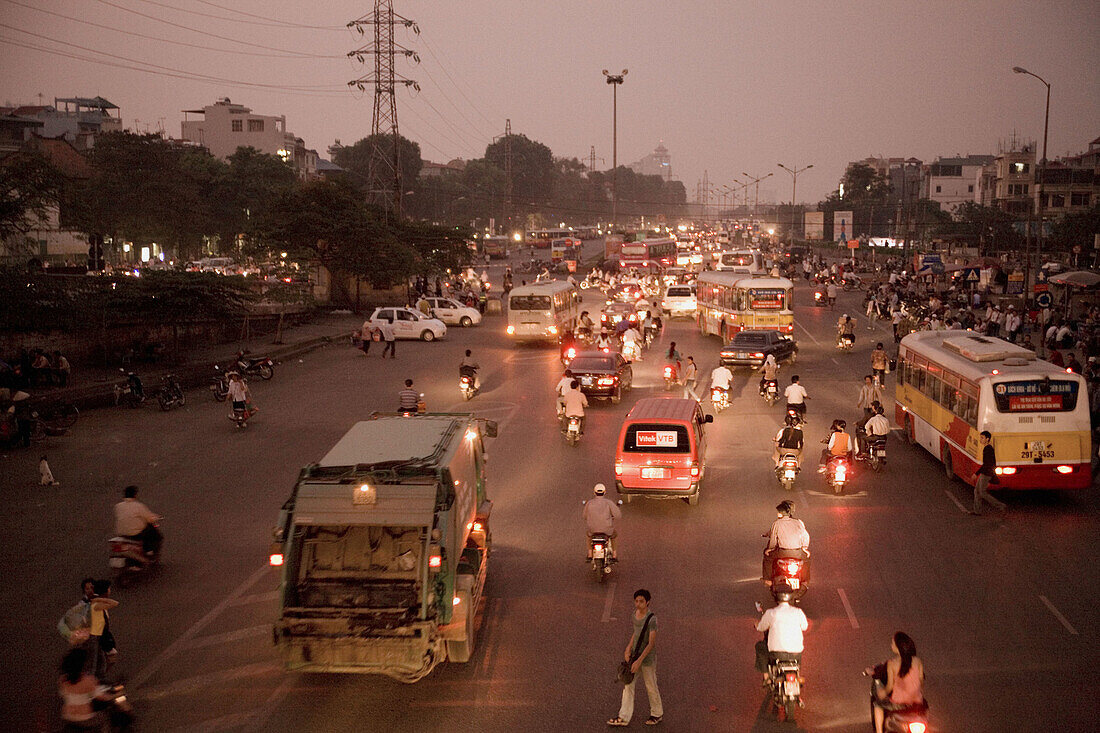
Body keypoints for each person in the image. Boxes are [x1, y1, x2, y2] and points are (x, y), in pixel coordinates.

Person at [607, 589, 662, 727]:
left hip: (646, 659)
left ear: (648, 602)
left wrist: (639, 661)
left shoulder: (652, 619)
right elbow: (635, 633)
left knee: (651, 686)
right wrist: (628, 648)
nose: (638, 604)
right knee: (628, 684)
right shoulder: (634, 615)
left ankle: (657, 713)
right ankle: (623, 717)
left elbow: (651, 643)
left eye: (641, 601)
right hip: (634, 656)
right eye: (636, 601)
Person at [866, 632, 926, 733]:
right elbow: (921, 682)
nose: (891, 645)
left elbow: (889, 687)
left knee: (878, 705)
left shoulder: (892, 664)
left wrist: (882, 693)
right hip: (916, 702)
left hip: (898, 703)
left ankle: (879, 732)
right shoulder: (917, 661)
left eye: (893, 643)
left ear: (898, 647)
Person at [59, 648, 124, 728]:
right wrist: (114, 696)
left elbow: (64, 694)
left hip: (68, 716)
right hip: (85, 718)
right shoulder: (88, 680)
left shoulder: (63, 679)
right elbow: (102, 697)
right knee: (104, 720)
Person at [754, 591, 809, 684]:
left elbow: (761, 627)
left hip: (777, 654)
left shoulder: (771, 613)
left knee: (760, 646)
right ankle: (797, 676)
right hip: (796, 654)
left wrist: (757, 625)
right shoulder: (798, 612)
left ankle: (766, 677)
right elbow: (805, 627)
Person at [762, 500, 810, 582]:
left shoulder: (777, 523)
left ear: (781, 513)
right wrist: (805, 548)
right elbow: (806, 536)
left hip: (783, 552)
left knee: (768, 557)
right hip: (798, 553)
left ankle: (768, 580)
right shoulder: (798, 522)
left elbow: (773, 540)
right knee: (806, 560)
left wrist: (770, 549)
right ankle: (805, 581)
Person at [114, 485, 162, 559]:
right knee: (155, 535)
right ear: (135, 495)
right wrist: (156, 517)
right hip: (135, 533)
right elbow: (149, 518)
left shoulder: (118, 506)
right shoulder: (139, 506)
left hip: (121, 533)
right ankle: (149, 552)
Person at [969, 430, 1006, 515]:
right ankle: (977, 511)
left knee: (982, 492)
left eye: (982, 438)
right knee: (977, 491)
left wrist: (976, 473)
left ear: (987, 439)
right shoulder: (987, 448)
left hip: (986, 474)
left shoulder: (988, 449)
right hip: (985, 473)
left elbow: (986, 464)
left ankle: (1000, 505)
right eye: (980, 437)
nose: (980, 439)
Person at [87, 579, 119, 677]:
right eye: (108, 589)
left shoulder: (96, 603)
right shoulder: (97, 604)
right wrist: (98, 599)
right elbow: (114, 603)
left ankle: (99, 677)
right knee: (98, 660)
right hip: (96, 636)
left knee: (102, 659)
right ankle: (96, 678)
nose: (110, 591)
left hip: (100, 635)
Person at [583, 483, 622, 560]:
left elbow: (584, 516)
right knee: (614, 536)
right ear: (604, 492)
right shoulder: (609, 503)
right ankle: (614, 555)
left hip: (592, 530)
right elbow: (618, 515)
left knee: (588, 536)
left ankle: (590, 553)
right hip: (607, 530)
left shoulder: (589, 503)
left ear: (594, 493)